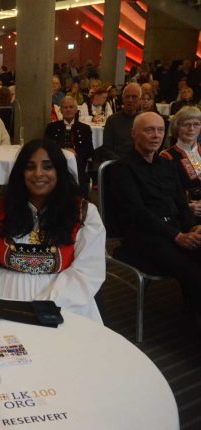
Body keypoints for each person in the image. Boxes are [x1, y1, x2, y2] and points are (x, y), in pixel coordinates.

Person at [0, 139, 106, 322]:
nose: (38, 174)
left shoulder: (84, 213)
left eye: (48, 167)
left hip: (66, 303)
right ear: (21, 173)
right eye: (30, 167)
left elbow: (88, 271)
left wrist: (45, 308)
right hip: (6, 299)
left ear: (59, 171)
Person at [113, 112, 201, 324]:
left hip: (175, 230)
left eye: (160, 130)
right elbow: (138, 213)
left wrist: (192, 228)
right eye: (149, 130)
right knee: (193, 273)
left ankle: (192, 311)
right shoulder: (122, 168)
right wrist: (177, 236)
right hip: (143, 236)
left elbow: (180, 203)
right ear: (134, 134)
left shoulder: (166, 164)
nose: (156, 135)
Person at [45, 96, 94, 196]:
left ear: (76, 110)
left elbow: (89, 150)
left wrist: (75, 154)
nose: (68, 109)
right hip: (56, 163)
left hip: (77, 164)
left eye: (71, 107)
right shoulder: (51, 127)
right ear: (61, 110)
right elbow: (46, 147)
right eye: (65, 107)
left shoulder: (85, 129)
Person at [160, 106, 201, 221]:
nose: (191, 129)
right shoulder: (166, 157)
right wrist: (187, 207)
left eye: (196, 124)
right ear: (176, 128)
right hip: (184, 216)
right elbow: (165, 195)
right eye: (186, 124)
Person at [94, 83, 141, 166]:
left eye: (134, 97)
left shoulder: (144, 121)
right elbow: (106, 148)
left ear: (139, 100)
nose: (130, 100)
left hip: (139, 165)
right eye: (127, 97)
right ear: (122, 99)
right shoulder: (112, 120)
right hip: (117, 165)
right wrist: (122, 163)